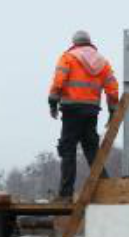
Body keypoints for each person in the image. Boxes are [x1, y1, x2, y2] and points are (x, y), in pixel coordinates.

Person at [48, 30, 120, 202]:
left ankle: (65, 195)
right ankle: (106, 189)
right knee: (92, 150)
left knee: (68, 150)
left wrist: (52, 102)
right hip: (91, 111)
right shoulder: (102, 62)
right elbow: (112, 88)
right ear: (89, 42)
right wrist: (112, 111)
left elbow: (59, 81)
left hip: (71, 110)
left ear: (75, 43)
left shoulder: (68, 57)